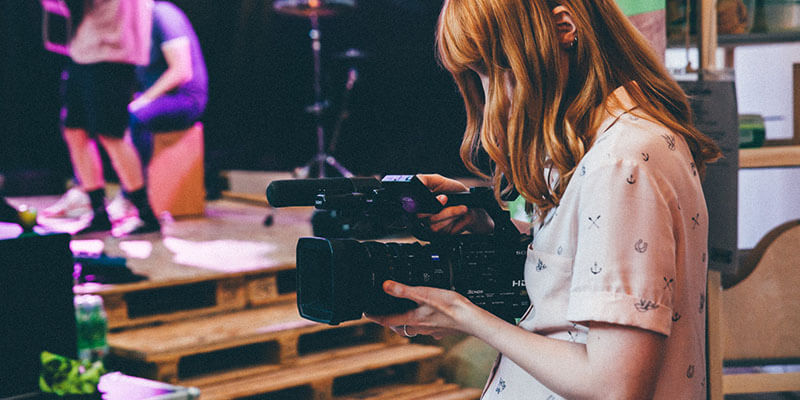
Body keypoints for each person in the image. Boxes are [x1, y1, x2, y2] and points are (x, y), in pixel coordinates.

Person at [366, 1, 722, 399]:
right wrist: (494, 225)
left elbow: (615, 387)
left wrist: (463, 316)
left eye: (495, 68)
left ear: (563, 28)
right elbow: (586, 267)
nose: (491, 98)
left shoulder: (620, 163)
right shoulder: (606, 146)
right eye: (477, 74)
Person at [46, 0, 161, 236]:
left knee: (112, 134)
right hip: (86, 53)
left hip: (110, 54)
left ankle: (145, 213)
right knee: (75, 131)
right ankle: (99, 212)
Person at [128, 0, 208, 166]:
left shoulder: (162, 13)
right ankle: (86, 186)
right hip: (158, 96)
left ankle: (138, 188)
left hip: (185, 98)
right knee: (105, 116)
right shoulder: (136, 25)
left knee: (136, 116)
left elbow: (181, 71)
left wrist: (144, 100)